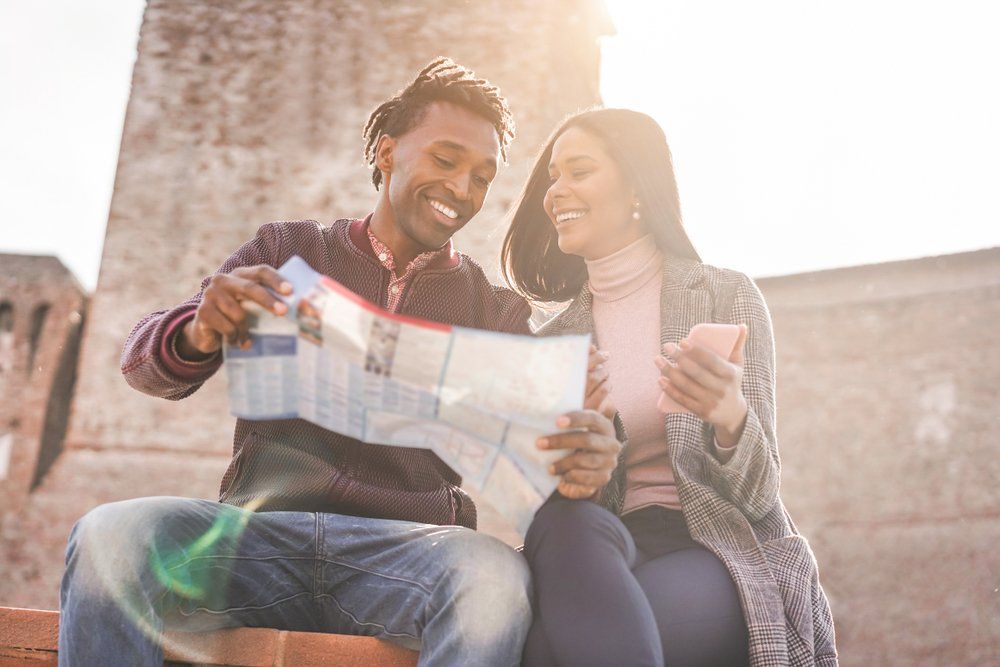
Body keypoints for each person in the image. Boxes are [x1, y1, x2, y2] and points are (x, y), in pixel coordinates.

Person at [57, 59, 619, 667]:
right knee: (108, 536)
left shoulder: (493, 310)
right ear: (386, 152)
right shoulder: (288, 251)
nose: (462, 189)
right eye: (446, 160)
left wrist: (584, 448)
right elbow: (144, 368)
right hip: (256, 541)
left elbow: (552, 447)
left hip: (406, 557)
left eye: (482, 177)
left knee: (494, 578)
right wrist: (199, 328)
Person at [503, 108, 839, 666]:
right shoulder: (553, 340)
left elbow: (758, 496)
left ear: (635, 183)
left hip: (710, 543)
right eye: (552, 176)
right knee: (565, 522)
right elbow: (541, 508)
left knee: (547, 654)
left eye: (578, 171)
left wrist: (730, 417)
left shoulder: (724, 297)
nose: (555, 191)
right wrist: (580, 453)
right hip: (595, 550)